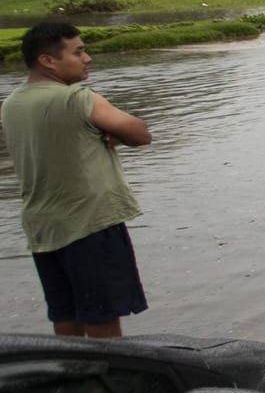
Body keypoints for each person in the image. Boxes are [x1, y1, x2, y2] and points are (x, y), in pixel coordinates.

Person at [2, 22, 154, 337]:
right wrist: (115, 131)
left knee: (66, 316)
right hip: (89, 224)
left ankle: (71, 380)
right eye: (78, 51)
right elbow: (140, 134)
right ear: (48, 61)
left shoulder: (12, 104)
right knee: (103, 318)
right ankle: (108, 381)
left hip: (43, 228)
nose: (87, 58)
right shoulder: (77, 99)